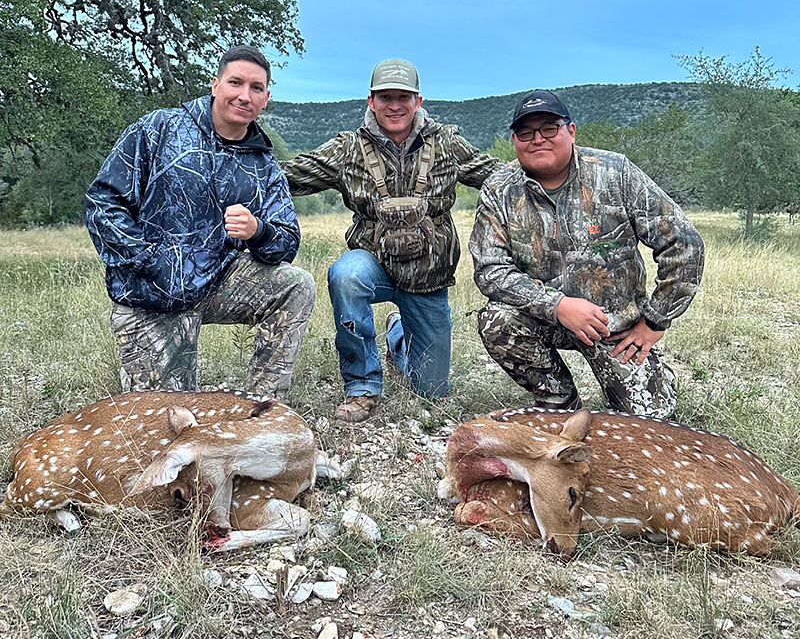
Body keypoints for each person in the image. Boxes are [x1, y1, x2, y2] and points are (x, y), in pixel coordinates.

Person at [84, 45, 315, 396]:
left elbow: (286, 241)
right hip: (150, 292)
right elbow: (103, 204)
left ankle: (264, 410)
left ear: (266, 98)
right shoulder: (159, 129)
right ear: (215, 85)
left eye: (256, 88)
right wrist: (149, 260)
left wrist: (258, 231)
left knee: (296, 285)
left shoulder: (264, 165)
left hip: (216, 283)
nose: (244, 95)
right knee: (167, 423)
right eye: (235, 83)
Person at [281, 59, 500, 422]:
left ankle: (397, 334)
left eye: (403, 96)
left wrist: (554, 168)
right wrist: (236, 165)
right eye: (385, 97)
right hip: (373, 265)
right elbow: (292, 176)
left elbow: (496, 175)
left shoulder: (447, 142)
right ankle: (363, 387)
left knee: (431, 392)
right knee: (346, 275)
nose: (394, 105)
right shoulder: (348, 147)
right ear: (371, 100)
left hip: (428, 278)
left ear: (418, 100)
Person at [469, 89, 704, 418]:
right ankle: (560, 402)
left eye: (549, 128)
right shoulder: (499, 189)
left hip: (616, 327)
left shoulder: (615, 173)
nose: (537, 139)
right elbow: (490, 270)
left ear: (571, 130)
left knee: (652, 420)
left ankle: (643, 386)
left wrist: (655, 321)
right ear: (515, 139)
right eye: (526, 132)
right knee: (497, 320)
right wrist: (559, 306)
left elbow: (684, 243)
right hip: (544, 319)